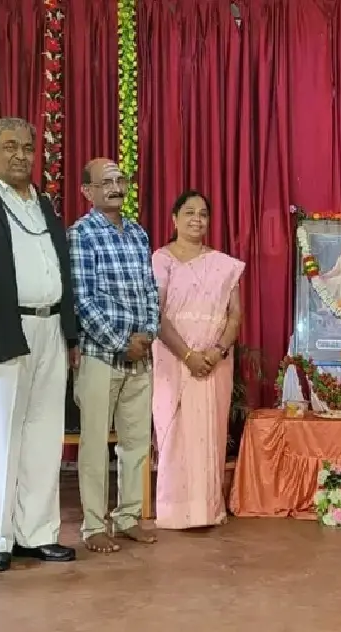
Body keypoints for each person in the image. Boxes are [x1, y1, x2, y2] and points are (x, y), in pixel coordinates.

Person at [0, 117, 79, 572]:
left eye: (27, 148)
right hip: (0, 330)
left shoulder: (44, 205)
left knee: (45, 433)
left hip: (50, 328)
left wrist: (70, 334)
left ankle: (38, 533)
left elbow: (60, 268)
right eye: (9, 146)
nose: (20, 155)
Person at [69, 159, 159, 552]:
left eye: (120, 179)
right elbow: (83, 301)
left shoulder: (138, 233)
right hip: (101, 356)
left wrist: (148, 334)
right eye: (106, 182)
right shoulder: (81, 234)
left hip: (140, 356)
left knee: (136, 442)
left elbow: (151, 291)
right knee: (94, 444)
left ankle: (128, 517)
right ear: (87, 191)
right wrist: (123, 341)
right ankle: (93, 526)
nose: (116, 187)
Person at [152, 190, 245, 529]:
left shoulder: (224, 265)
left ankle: (207, 509)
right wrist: (188, 356)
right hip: (173, 359)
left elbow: (235, 315)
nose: (197, 219)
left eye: (203, 214)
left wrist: (216, 352)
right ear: (174, 219)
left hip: (215, 361)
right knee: (175, 430)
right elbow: (157, 314)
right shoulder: (161, 259)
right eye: (189, 212)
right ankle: (174, 509)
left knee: (210, 431)